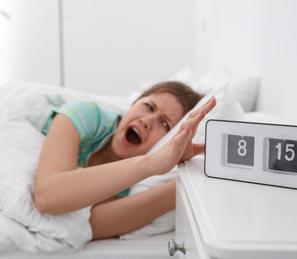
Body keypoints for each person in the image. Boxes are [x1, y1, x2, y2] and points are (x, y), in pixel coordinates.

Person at [35, 81, 217, 240]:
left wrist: (190, 178)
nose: (147, 120)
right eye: (148, 106)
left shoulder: (132, 184)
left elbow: (83, 224)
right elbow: (47, 198)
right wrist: (151, 162)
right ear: (132, 105)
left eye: (164, 124)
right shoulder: (85, 115)